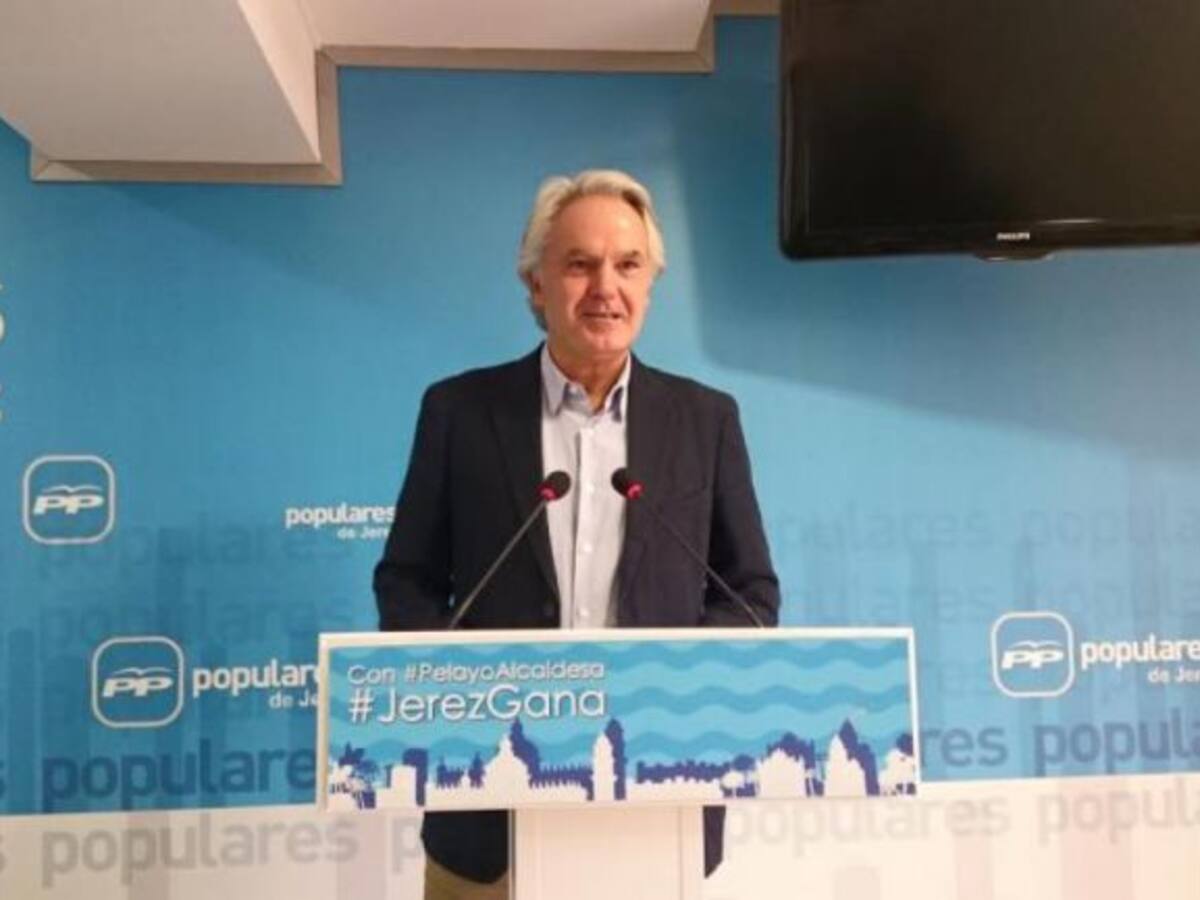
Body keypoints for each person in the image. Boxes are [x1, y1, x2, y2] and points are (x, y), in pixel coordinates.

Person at [374, 169, 780, 900]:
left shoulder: (706, 420)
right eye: (579, 264)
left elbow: (749, 592)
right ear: (536, 284)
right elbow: (407, 582)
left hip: (656, 801)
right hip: (486, 809)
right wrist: (463, 700)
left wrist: (670, 689)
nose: (605, 288)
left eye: (628, 265)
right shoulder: (460, 412)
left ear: (651, 284)